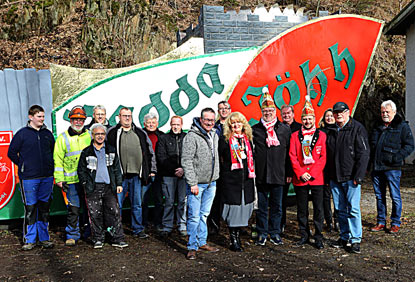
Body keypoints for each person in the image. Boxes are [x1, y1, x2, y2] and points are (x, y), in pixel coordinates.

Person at [8, 105, 55, 250]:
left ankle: (44, 238)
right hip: (29, 178)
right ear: (31, 117)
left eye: (43, 116)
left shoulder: (47, 134)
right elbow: (11, 152)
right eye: (39, 116)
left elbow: (53, 151)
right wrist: (23, 166)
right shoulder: (22, 134)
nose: (42, 119)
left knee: (44, 208)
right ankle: (29, 240)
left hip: (46, 177)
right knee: (31, 208)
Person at [325, 102, 370, 254]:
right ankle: (344, 237)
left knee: (353, 209)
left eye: (341, 112)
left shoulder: (357, 128)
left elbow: (363, 153)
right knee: (339, 209)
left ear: (348, 112)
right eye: (336, 112)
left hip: (351, 177)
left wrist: (359, 175)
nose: (338, 115)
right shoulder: (331, 130)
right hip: (335, 177)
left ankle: (356, 239)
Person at [107, 107, 156, 239]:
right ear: (119, 117)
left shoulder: (140, 132)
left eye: (129, 115)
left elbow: (150, 152)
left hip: (137, 175)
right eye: (124, 116)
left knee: (137, 204)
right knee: (118, 205)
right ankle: (116, 231)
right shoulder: (112, 133)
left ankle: (138, 229)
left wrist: (152, 169)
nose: (127, 118)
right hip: (119, 177)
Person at [78, 123, 128, 248]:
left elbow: (117, 168)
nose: (100, 136)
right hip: (93, 188)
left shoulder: (111, 150)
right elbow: (81, 170)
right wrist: (85, 183)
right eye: (97, 134)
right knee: (95, 214)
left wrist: (119, 183)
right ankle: (98, 239)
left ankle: (117, 238)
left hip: (109, 187)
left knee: (114, 213)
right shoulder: (86, 152)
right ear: (92, 135)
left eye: (102, 134)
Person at [252, 87, 291, 246]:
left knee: (277, 206)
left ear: (275, 111)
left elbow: (290, 152)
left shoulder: (284, 129)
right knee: (261, 207)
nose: (268, 113)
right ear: (262, 112)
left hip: (279, 174)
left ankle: (275, 233)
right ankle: (262, 232)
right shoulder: (255, 130)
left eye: (270, 110)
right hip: (261, 174)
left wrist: (289, 172)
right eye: (265, 110)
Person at [370, 100, 414, 233]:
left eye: (387, 112)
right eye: (383, 111)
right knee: (379, 196)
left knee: (395, 196)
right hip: (377, 167)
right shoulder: (376, 126)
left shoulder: (402, 126)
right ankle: (381, 221)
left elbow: (410, 145)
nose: (385, 114)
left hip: (392, 168)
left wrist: (396, 158)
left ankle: (395, 222)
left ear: (394, 112)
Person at [182, 108, 220, 260]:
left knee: (204, 215)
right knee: (194, 217)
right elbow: (186, 160)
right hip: (197, 184)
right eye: (207, 120)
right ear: (200, 119)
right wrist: (192, 182)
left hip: (212, 183)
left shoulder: (214, 134)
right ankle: (192, 247)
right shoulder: (191, 137)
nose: (210, 123)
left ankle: (202, 241)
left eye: (212, 120)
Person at [289, 98, 326, 249]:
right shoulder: (294, 136)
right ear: (301, 120)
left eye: (310, 118)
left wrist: (313, 173)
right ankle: (304, 234)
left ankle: (318, 235)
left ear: (314, 119)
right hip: (301, 178)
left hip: (316, 178)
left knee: (318, 208)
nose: (307, 121)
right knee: (302, 209)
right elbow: (292, 155)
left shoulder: (321, 135)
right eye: (305, 119)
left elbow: (323, 156)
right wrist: (301, 173)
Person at [54, 105, 91, 246]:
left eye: (81, 119)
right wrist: (59, 179)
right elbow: (57, 160)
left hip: (88, 180)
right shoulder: (62, 138)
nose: (78, 122)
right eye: (75, 119)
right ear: (70, 120)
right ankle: (72, 235)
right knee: (73, 209)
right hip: (71, 181)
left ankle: (89, 233)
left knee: (89, 208)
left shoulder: (89, 136)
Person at [218, 112, 255, 252]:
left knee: (244, 209)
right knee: (233, 211)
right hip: (231, 181)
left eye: (238, 122)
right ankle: (234, 239)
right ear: (229, 126)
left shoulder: (248, 139)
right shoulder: (225, 140)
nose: (236, 125)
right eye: (233, 123)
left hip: (246, 181)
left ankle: (239, 233)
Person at [156, 116, 187, 237]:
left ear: (181, 125)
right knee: (169, 201)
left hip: (184, 175)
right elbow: (161, 157)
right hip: (168, 175)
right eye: (173, 124)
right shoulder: (163, 138)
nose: (175, 127)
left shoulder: (187, 138)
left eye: (178, 124)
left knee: (182, 201)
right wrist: (175, 170)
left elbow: (190, 155)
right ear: (170, 124)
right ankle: (167, 226)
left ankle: (182, 225)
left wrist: (183, 169)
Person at [208, 101, 232, 235]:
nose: (224, 111)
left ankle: (233, 226)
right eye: (221, 109)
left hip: (232, 167)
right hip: (217, 167)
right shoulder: (214, 126)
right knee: (215, 198)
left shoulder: (234, 125)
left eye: (226, 108)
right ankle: (214, 225)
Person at [280, 104, 301, 233]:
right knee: (282, 199)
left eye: (288, 113)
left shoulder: (300, 128)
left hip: (299, 168)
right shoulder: (280, 128)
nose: (286, 115)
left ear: (293, 114)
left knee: (301, 199)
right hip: (284, 169)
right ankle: (281, 224)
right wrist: (288, 171)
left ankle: (302, 227)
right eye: (284, 114)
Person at [142, 113, 164, 231]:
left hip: (159, 173)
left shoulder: (161, 136)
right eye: (148, 123)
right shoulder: (140, 135)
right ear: (144, 124)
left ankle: (158, 223)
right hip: (145, 173)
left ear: (157, 123)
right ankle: (143, 223)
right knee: (143, 200)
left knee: (158, 200)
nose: (151, 125)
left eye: (153, 122)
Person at [318, 108, 337, 232]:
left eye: (331, 116)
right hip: (324, 169)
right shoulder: (320, 132)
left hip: (335, 168)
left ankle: (338, 220)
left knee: (337, 196)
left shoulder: (338, 131)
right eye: (327, 116)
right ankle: (328, 220)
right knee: (325, 197)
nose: (329, 118)